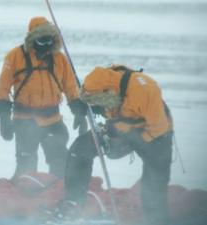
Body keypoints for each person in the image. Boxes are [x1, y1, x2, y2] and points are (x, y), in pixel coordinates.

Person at [62, 65, 173, 225]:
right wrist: (83, 108)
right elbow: (94, 99)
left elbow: (158, 128)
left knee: (154, 182)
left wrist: (129, 143)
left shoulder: (145, 90)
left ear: (108, 92)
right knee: (81, 148)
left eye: (98, 100)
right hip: (122, 128)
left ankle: (156, 219)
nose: (98, 104)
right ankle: (72, 204)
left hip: (156, 135)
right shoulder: (103, 83)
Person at [0, 17, 87, 179]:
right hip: (24, 121)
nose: (47, 46)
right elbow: (3, 89)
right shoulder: (15, 57)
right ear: (32, 39)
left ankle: (59, 195)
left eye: (50, 40)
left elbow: (71, 88)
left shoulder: (60, 59)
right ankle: (23, 197)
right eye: (42, 41)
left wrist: (79, 111)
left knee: (60, 162)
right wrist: (3, 118)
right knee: (26, 165)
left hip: (53, 121)